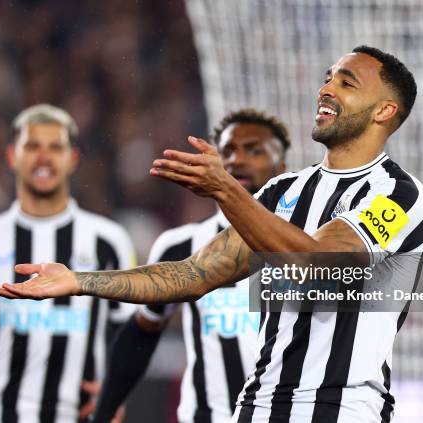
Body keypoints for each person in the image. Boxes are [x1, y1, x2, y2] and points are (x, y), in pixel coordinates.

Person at [0, 46, 423, 423]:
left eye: (346, 83)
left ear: (384, 111)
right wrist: (80, 280)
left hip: (342, 409)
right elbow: (193, 275)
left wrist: (225, 189)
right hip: (256, 407)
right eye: (328, 78)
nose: (326, 89)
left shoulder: (398, 194)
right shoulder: (283, 192)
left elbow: (320, 266)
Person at [0, 104, 134, 423]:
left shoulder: (110, 240)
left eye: (55, 147)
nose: (44, 157)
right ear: (12, 157)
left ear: (72, 159)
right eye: (32, 146)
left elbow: (130, 332)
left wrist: (117, 392)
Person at [90, 109, 291, 423]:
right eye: (227, 151)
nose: (237, 160)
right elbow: (143, 331)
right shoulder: (180, 246)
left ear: (281, 168)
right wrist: (105, 409)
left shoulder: (306, 247)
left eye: (254, 150)